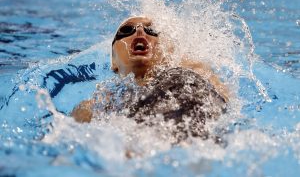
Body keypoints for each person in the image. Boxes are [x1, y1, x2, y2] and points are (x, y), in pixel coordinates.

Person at [71, 16, 229, 141]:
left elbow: (223, 101)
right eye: (127, 30)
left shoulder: (188, 75)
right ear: (113, 61)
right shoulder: (97, 106)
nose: (140, 32)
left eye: (151, 30)